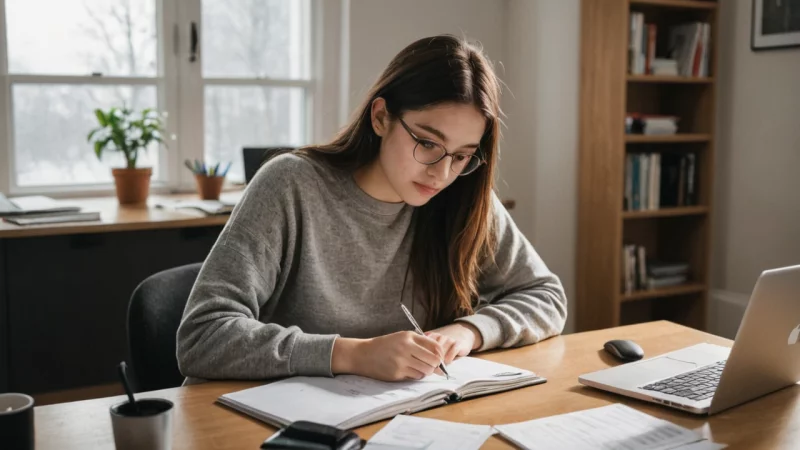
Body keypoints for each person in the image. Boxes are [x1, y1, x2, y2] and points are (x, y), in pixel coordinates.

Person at [177, 34, 567, 383]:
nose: (442, 173)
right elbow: (202, 336)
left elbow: (546, 296)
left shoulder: (463, 195)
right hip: (276, 421)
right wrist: (353, 355)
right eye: (427, 143)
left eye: (462, 155)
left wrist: (470, 331)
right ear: (380, 117)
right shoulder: (290, 184)